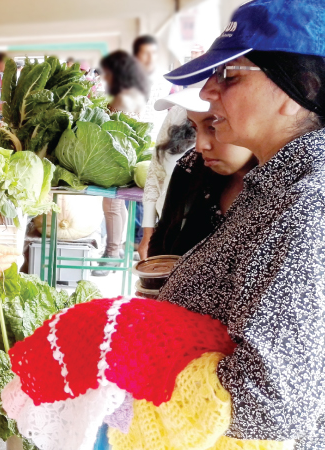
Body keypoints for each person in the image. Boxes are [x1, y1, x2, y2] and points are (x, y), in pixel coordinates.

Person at [158, 0, 325, 445]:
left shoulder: (309, 202)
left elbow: (271, 402)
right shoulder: (276, 184)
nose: (208, 92)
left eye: (229, 75)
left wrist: (142, 364)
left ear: (299, 89)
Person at [147, 90, 257, 258]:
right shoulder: (192, 165)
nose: (199, 146)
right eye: (195, 128)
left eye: (214, 127)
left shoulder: (286, 190)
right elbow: (163, 233)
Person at [93, 50, 149, 276]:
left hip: (119, 158)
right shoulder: (133, 91)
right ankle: (116, 250)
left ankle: (112, 254)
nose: (104, 77)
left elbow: (114, 128)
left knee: (112, 204)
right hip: (127, 157)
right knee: (116, 204)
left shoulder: (122, 97)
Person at [138, 88, 204, 260]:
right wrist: (148, 234)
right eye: (194, 125)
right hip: (166, 229)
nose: (199, 147)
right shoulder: (176, 113)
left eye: (210, 127)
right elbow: (155, 174)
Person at [133, 35, 173, 142]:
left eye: (154, 53)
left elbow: (174, 110)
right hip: (133, 136)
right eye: (145, 53)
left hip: (158, 136)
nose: (150, 58)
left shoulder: (168, 78)